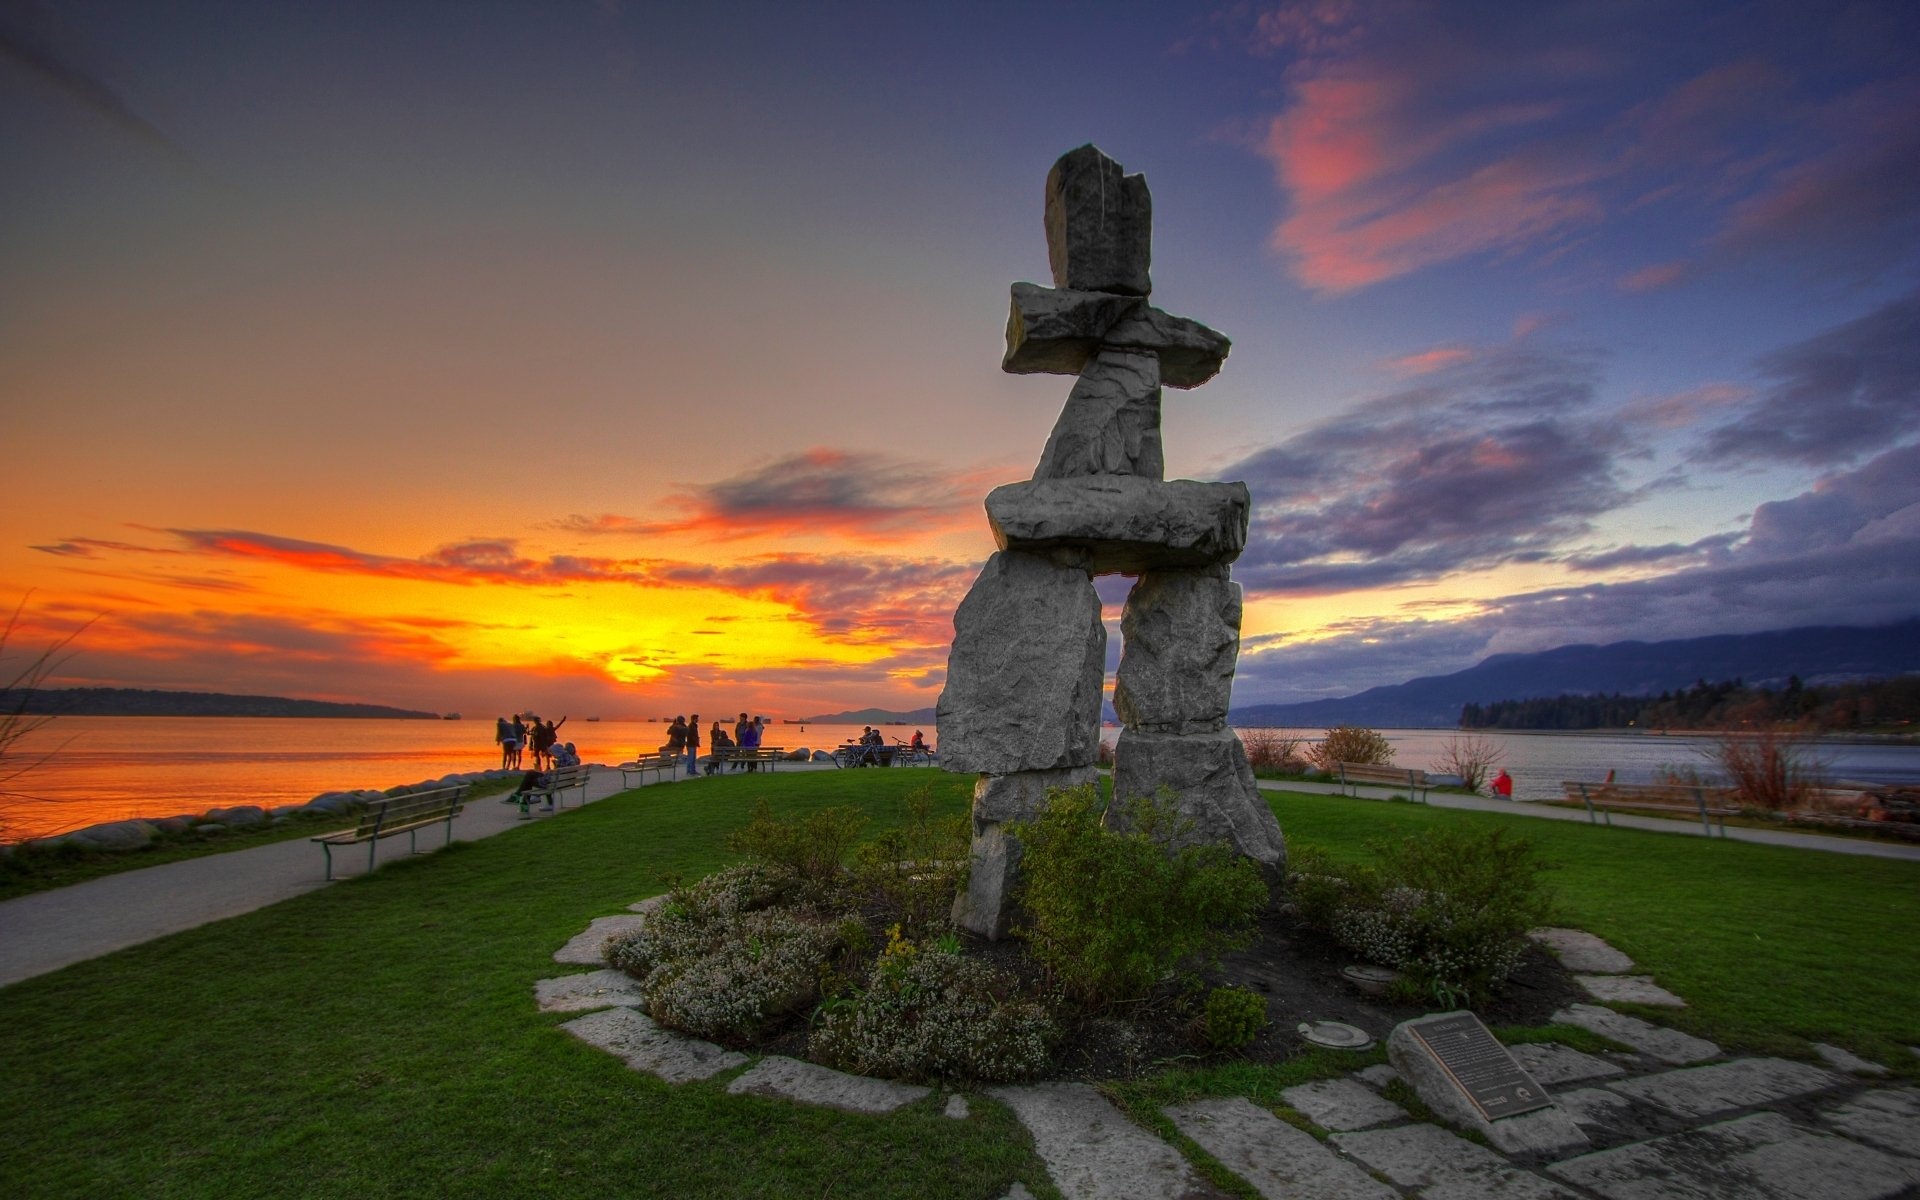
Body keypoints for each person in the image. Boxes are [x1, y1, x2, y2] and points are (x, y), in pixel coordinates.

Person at [684, 713, 701, 777]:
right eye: (697, 718)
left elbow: (695, 735)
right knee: (691, 758)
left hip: (692, 744)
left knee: (693, 758)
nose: (698, 720)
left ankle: (692, 770)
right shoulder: (691, 726)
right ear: (694, 719)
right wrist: (696, 741)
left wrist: (697, 742)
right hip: (691, 744)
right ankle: (690, 771)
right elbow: (692, 736)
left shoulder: (694, 726)